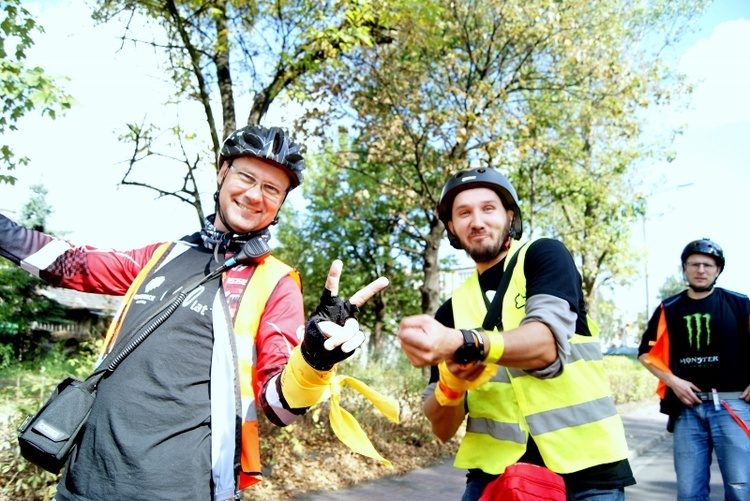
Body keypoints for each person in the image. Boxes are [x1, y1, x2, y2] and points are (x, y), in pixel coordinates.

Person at [0, 124, 389, 500]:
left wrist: (314, 360)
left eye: (272, 188)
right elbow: (72, 263)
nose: (256, 195)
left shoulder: (276, 281)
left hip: (176, 488)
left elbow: (278, 408)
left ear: (281, 202)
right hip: (83, 479)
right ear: (222, 172)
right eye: (247, 178)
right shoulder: (160, 257)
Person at [397, 167, 635, 500]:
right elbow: (442, 428)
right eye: (463, 213)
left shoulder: (543, 256)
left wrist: (468, 342)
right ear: (452, 227)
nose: (477, 221)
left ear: (510, 217)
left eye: (488, 209)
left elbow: (546, 347)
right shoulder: (450, 311)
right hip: (494, 477)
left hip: (585, 472)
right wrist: (452, 384)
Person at [638, 238, 750, 501]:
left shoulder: (740, 304)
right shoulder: (669, 308)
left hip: (733, 405)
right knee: (689, 492)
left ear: (718, 270)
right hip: (687, 409)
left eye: (708, 265)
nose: (701, 270)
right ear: (685, 268)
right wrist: (673, 382)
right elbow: (646, 353)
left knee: (740, 488)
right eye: (694, 264)